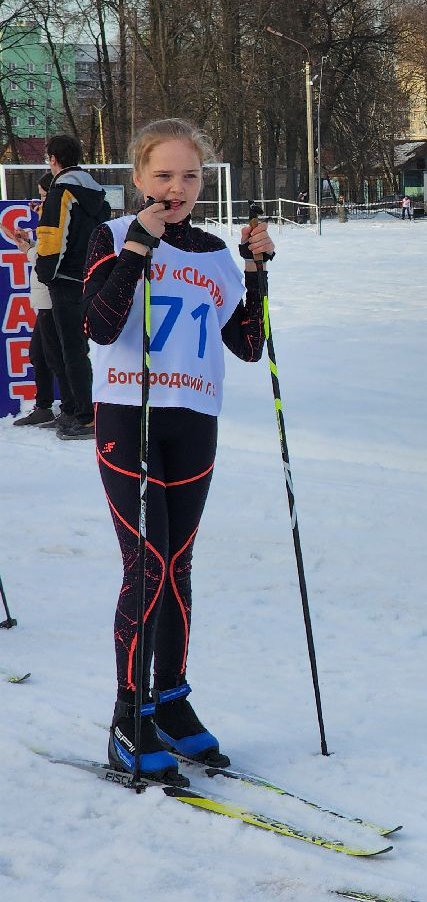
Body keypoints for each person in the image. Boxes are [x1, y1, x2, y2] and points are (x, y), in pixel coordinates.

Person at [83, 118, 274, 785]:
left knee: (179, 567)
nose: (176, 188)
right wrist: (139, 248)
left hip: (193, 421)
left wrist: (254, 272)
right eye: (162, 175)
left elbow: (247, 345)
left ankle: (171, 700)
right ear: (139, 179)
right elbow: (98, 325)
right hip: (128, 418)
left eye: (189, 176)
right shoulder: (110, 235)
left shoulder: (215, 252)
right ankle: (127, 717)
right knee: (149, 566)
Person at [35, 134, 107, 440]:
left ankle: (85, 416)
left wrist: (45, 272)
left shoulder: (61, 191)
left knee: (72, 350)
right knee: (79, 349)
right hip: (91, 278)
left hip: (65, 280)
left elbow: (53, 237)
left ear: (53, 159)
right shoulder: (97, 194)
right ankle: (81, 410)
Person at [6, 176, 61, 427]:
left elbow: (47, 261)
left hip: (53, 299)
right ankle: (46, 406)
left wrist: (27, 250)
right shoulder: (49, 220)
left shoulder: (59, 220)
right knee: (40, 354)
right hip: (46, 300)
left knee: (52, 355)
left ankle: (70, 409)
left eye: (43, 195)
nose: (40, 201)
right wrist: (29, 244)